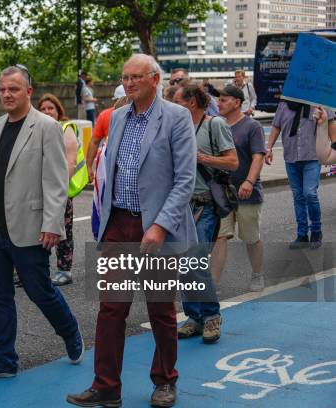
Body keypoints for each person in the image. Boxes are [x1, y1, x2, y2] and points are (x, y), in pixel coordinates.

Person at [67, 54, 198, 408]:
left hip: (155, 227)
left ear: (155, 79)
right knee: (111, 309)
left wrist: (159, 225)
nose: (128, 83)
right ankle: (106, 386)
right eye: (125, 77)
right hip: (118, 226)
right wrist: (103, 219)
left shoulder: (176, 117)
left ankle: (165, 381)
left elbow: (185, 179)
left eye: (136, 77)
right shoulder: (119, 116)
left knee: (160, 310)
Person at [0, 65, 83, 379]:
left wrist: (52, 223)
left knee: (39, 291)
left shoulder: (46, 127)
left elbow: (57, 180)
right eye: (3, 89)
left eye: (13, 89)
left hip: (30, 227)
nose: (6, 94)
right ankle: (4, 360)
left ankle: (70, 331)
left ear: (28, 92)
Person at [172, 84, 238, 343]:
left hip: (206, 204)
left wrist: (203, 159)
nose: (172, 105)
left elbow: (233, 162)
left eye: (176, 101)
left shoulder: (215, 125)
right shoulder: (177, 128)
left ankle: (211, 316)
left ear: (191, 103)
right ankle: (194, 316)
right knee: (184, 264)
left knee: (195, 261)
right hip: (181, 204)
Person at [210, 86, 266, 292]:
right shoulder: (216, 125)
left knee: (251, 238)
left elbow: (258, 156)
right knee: (220, 237)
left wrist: (249, 182)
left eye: (224, 100)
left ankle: (257, 274)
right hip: (222, 193)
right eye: (219, 100)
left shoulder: (252, 126)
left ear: (237, 102)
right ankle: (213, 282)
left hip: (247, 192)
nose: (219, 103)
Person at [265, 100, 334, 249]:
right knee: (298, 196)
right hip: (291, 156)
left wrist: (334, 147)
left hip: (313, 155)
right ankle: (302, 234)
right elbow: (276, 126)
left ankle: (316, 230)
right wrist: (269, 148)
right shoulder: (284, 104)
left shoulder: (320, 102)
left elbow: (331, 123)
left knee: (310, 193)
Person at [37, 93, 89, 286]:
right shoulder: (37, 129)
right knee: (39, 230)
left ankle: (64, 270)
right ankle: (39, 269)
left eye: (50, 108)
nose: (46, 112)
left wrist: (59, 191)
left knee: (63, 231)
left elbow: (71, 162)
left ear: (59, 111)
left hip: (60, 191)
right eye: (42, 109)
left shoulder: (65, 128)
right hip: (40, 190)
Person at [86, 85, 127, 183]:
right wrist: (88, 166)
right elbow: (94, 142)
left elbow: (95, 142)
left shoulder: (105, 114)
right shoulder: (105, 115)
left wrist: (89, 166)